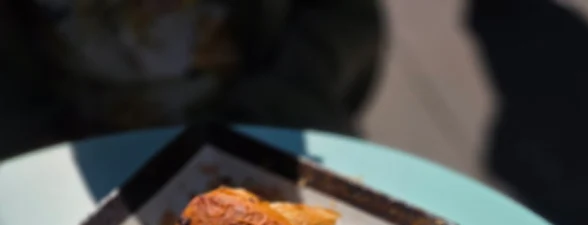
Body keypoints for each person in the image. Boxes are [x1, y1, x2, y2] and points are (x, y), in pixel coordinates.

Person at [0, 0, 383, 159]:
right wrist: (38, 155)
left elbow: (343, 18)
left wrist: (271, 115)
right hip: (70, 145)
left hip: (268, 127)